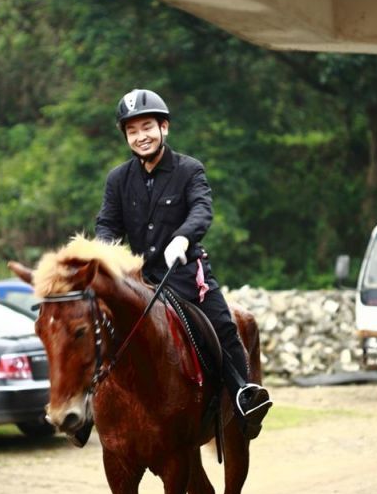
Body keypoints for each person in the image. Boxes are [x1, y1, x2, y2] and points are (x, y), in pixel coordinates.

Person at [95, 88, 272, 439]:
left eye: (147, 127)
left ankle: (243, 395)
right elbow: (107, 225)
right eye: (132, 131)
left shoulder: (190, 169)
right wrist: (102, 254)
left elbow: (202, 210)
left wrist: (183, 237)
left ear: (164, 127)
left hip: (186, 273)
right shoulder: (118, 179)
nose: (140, 136)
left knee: (223, 325)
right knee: (94, 326)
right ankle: (87, 404)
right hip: (139, 277)